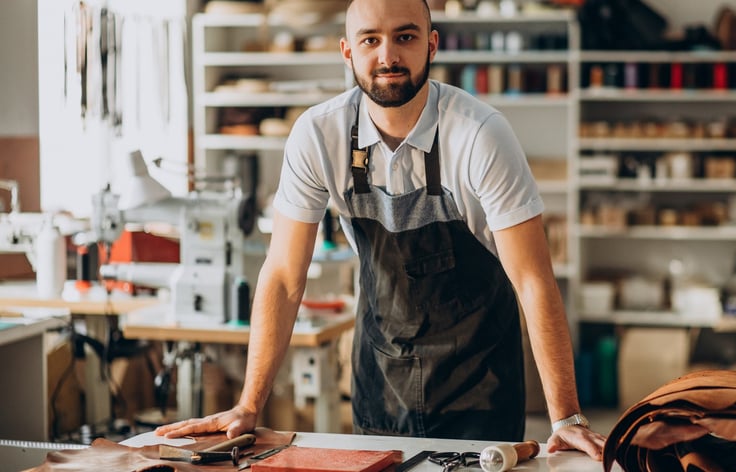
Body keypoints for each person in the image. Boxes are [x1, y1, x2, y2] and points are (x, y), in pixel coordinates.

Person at [156, 0, 605, 460]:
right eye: (371, 39)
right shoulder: (318, 135)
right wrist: (249, 405)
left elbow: (533, 280)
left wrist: (566, 416)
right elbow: (284, 277)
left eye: (405, 37)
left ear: (432, 45)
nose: (387, 56)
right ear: (348, 51)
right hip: (380, 381)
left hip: (480, 384)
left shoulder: (479, 135)